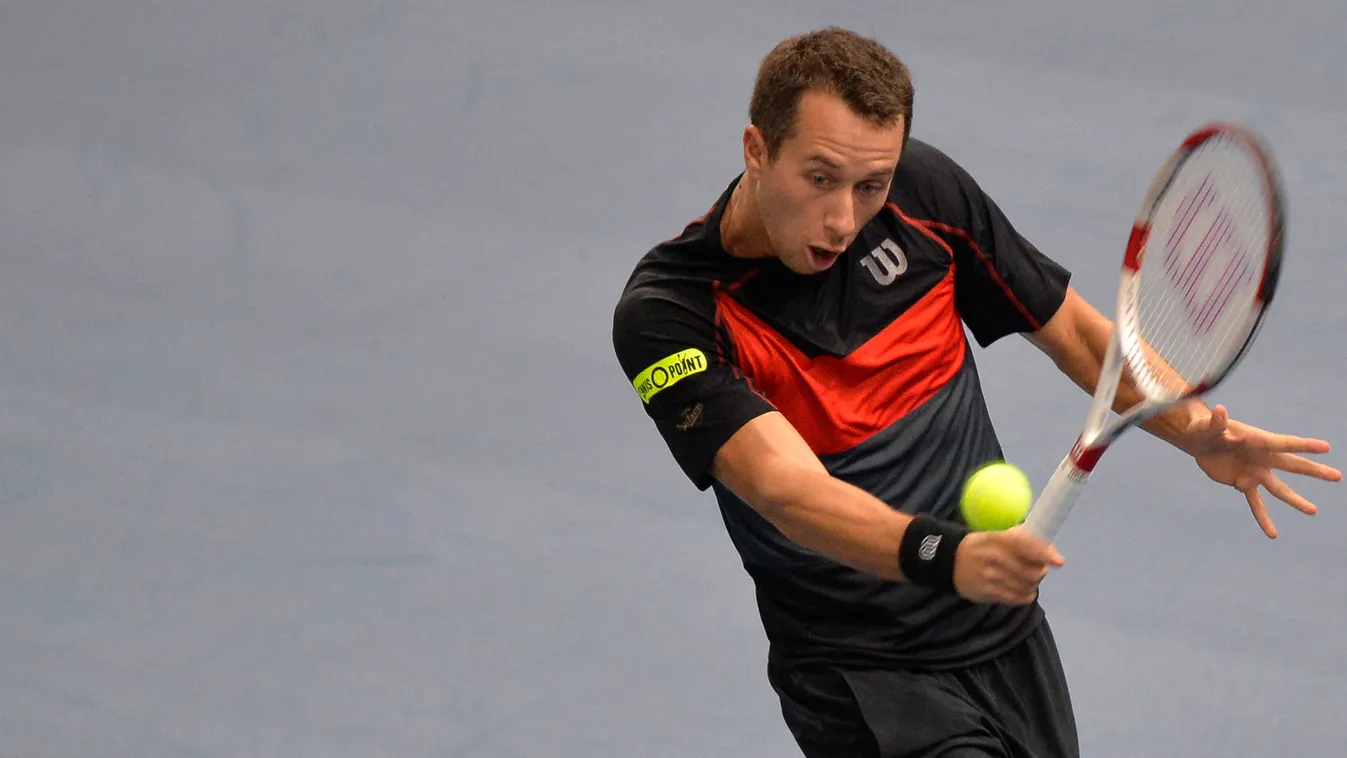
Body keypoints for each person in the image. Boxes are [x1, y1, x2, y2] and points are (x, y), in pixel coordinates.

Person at [609, 27, 1340, 758]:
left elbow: (1079, 338)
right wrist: (944, 555)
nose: (843, 219)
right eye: (820, 177)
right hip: (860, 669)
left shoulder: (926, 194)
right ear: (756, 149)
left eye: (870, 185)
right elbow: (784, 489)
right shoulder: (671, 315)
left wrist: (1192, 430)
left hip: (1003, 635)